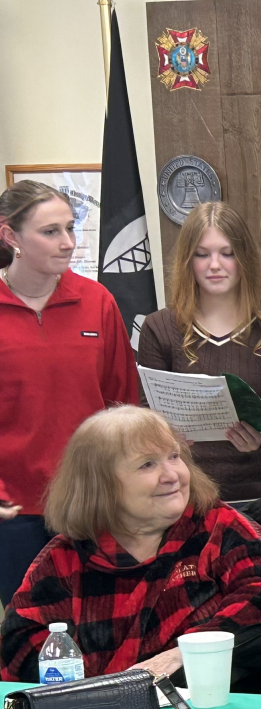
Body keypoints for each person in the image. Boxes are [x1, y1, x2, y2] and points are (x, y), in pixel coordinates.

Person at [1, 407, 261, 682]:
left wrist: (188, 652)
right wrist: (97, 689)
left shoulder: (218, 526)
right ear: (101, 485)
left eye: (174, 456)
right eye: (147, 464)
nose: (172, 475)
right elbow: (21, 640)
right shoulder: (66, 555)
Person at [137, 201, 261, 568]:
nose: (214, 265)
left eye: (227, 253)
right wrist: (166, 435)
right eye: (202, 254)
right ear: (187, 261)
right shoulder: (160, 328)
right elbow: (146, 411)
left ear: (244, 258)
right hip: (187, 499)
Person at [0, 181, 138, 603]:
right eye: (50, 232)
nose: (68, 242)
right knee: (32, 631)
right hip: (15, 512)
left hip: (93, 501)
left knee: (105, 626)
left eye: (70, 228)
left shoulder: (97, 301)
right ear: (10, 235)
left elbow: (124, 404)